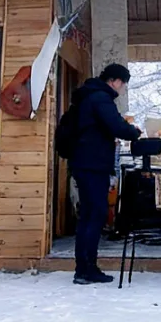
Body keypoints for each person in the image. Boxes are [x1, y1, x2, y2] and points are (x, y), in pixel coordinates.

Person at [65, 64, 141, 284]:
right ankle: (86, 269)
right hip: (92, 164)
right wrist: (134, 132)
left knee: (89, 215)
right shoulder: (100, 98)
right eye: (123, 84)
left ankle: (84, 267)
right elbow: (116, 125)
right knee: (95, 214)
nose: (123, 88)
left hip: (85, 162)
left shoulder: (90, 95)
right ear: (115, 81)